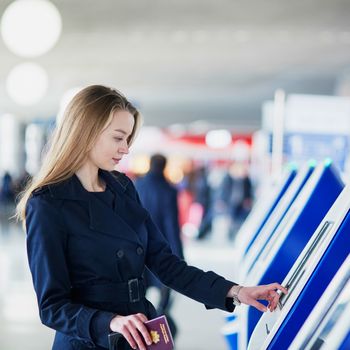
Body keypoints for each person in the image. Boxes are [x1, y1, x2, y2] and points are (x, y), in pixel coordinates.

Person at [16, 85, 287, 350]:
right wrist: (111, 322)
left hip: (143, 331)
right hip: (90, 340)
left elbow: (167, 265)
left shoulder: (122, 188)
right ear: (86, 133)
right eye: (118, 137)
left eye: (128, 139)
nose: (125, 149)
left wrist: (237, 292)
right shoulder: (48, 203)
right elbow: (52, 307)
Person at [135, 154, 183, 337]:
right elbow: (172, 225)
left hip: (138, 249)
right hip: (162, 250)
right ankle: (161, 329)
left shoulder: (137, 185)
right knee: (165, 292)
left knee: (140, 294)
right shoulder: (169, 190)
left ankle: (143, 331)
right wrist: (178, 254)